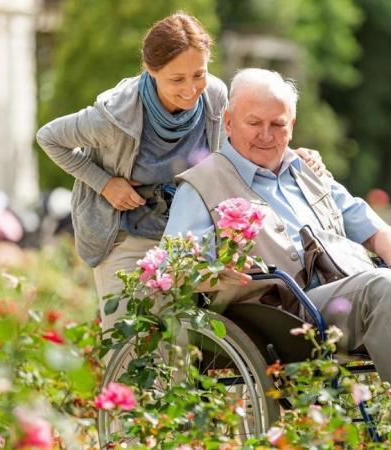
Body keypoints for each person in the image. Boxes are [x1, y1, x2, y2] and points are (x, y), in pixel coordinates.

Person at [164, 68, 391, 449]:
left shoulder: (309, 172)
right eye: (254, 123)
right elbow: (178, 267)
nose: (266, 135)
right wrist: (218, 275)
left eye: (277, 124)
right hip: (286, 316)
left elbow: (381, 232)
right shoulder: (202, 185)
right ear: (229, 121)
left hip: (364, 296)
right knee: (378, 285)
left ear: (292, 125)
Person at [37, 13, 324, 332]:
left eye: (198, 74)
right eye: (177, 79)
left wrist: (289, 155)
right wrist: (105, 184)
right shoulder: (115, 115)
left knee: (184, 344)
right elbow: (49, 137)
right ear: (151, 70)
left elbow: (240, 143)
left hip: (187, 233)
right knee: (129, 339)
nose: (190, 90)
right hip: (126, 235)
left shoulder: (214, 95)